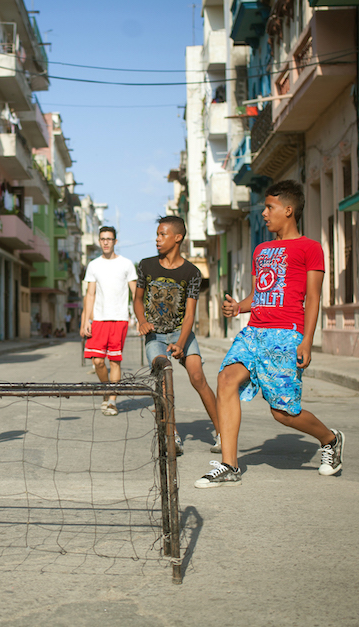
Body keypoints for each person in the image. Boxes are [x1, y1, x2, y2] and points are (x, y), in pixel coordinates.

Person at [195, 180, 344, 488]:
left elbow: (314, 298)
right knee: (226, 379)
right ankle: (229, 464)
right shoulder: (262, 249)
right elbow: (260, 294)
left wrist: (307, 341)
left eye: (270, 207)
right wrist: (239, 307)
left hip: (286, 334)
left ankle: (330, 440)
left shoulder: (310, 249)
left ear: (288, 210)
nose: (264, 213)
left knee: (283, 413)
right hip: (254, 332)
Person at [134, 216, 219, 456]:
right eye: (158, 234)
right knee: (163, 381)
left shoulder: (192, 272)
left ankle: (222, 432)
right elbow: (138, 299)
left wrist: (181, 343)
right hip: (155, 336)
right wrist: (142, 321)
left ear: (177, 237)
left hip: (182, 333)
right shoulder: (146, 265)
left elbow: (190, 314)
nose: (157, 239)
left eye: (163, 234)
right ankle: (172, 435)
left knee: (197, 376)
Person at [81, 226, 137, 416]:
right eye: (103, 239)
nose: (106, 242)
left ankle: (112, 401)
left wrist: (140, 319)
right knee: (97, 361)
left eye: (109, 239)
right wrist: (86, 321)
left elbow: (135, 293)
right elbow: (90, 294)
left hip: (119, 319)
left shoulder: (127, 264)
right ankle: (107, 390)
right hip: (99, 320)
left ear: (115, 242)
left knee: (114, 361)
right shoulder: (94, 265)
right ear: (99, 241)